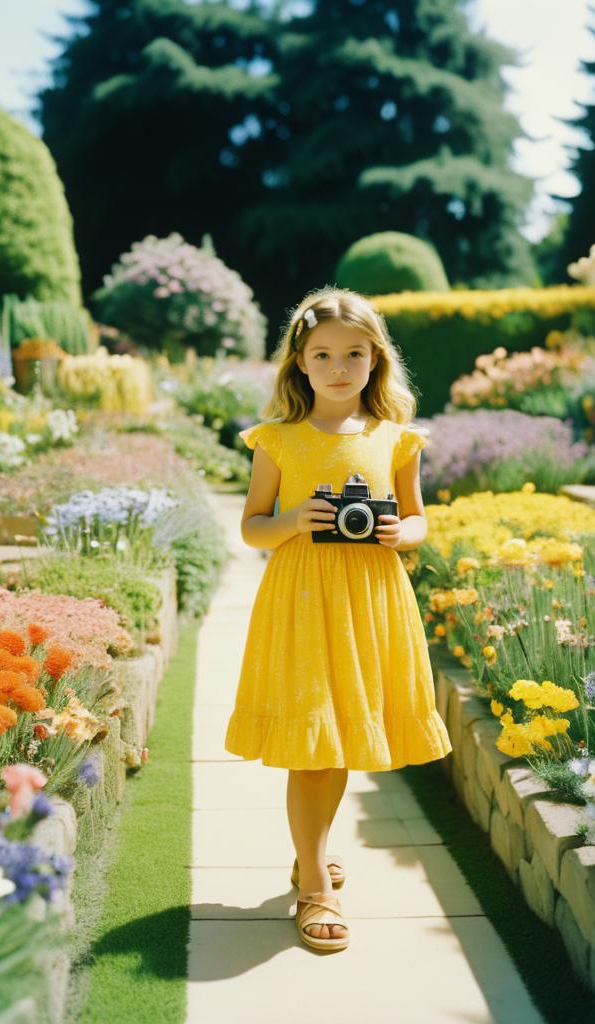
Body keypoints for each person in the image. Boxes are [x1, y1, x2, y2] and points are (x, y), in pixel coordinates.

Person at [224, 285, 453, 954]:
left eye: (354, 354)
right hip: (300, 604)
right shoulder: (279, 440)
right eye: (322, 354)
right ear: (298, 361)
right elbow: (251, 529)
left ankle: (311, 856)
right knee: (310, 743)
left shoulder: (397, 438)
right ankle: (315, 889)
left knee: (342, 737)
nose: (338, 367)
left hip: (368, 600)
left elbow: (417, 517)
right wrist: (295, 520)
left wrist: (400, 536)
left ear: (376, 360)